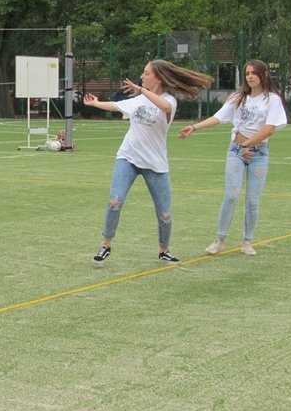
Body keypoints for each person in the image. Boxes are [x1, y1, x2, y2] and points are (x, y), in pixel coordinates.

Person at [84, 60, 213, 265]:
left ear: (158, 78)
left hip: (155, 163)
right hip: (129, 157)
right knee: (114, 201)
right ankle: (106, 245)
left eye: (146, 73)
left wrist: (142, 91)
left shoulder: (169, 100)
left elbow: (164, 106)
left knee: (165, 214)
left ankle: (164, 250)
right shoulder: (138, 99)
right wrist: (96, 103)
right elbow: (117, 106)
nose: (142, 77)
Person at [178, 59, 286, 256]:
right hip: (236, 151)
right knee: (231, 195)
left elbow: (270, 128)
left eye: (254, 73)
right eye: (247, 73)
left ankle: (247, 241)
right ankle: (220, 239)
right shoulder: (238, 98)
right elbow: (218, 118)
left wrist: (249, 143)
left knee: (253, 200)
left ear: (264, 75)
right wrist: (194, 127)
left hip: (258, 154)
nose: (251, 76)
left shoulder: (272, 99)